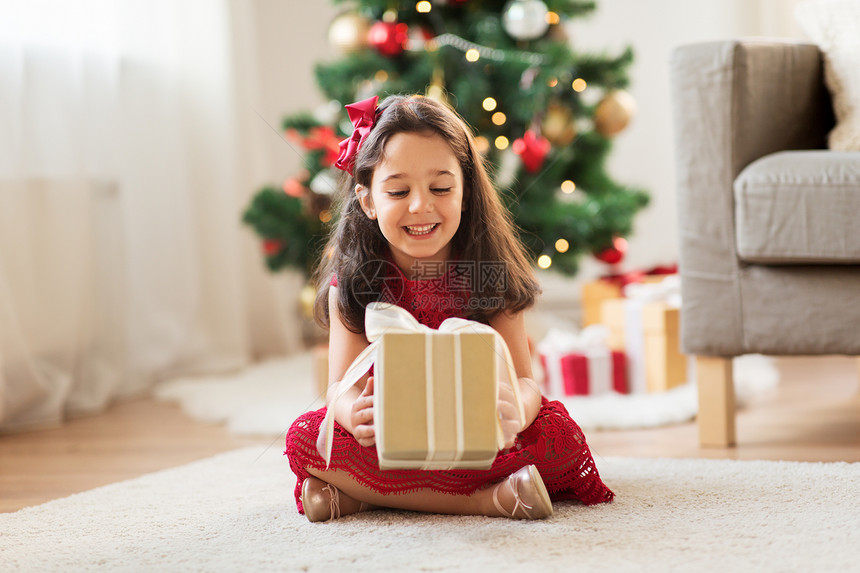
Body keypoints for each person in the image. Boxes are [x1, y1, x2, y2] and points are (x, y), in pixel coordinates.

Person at [285, 94, 614, 522]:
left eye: (440, 188)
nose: (421, 205)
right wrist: (353, 412)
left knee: (559, 437)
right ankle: (486, 500)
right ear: (367, 200)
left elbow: (524, 379)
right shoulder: (354, 283)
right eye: (399, 191)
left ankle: (361, 497)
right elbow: (336, 389)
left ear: (465, 192)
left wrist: (517, 408)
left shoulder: (488, 274)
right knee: (305, 437)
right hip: (392, 436)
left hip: (476, 433)